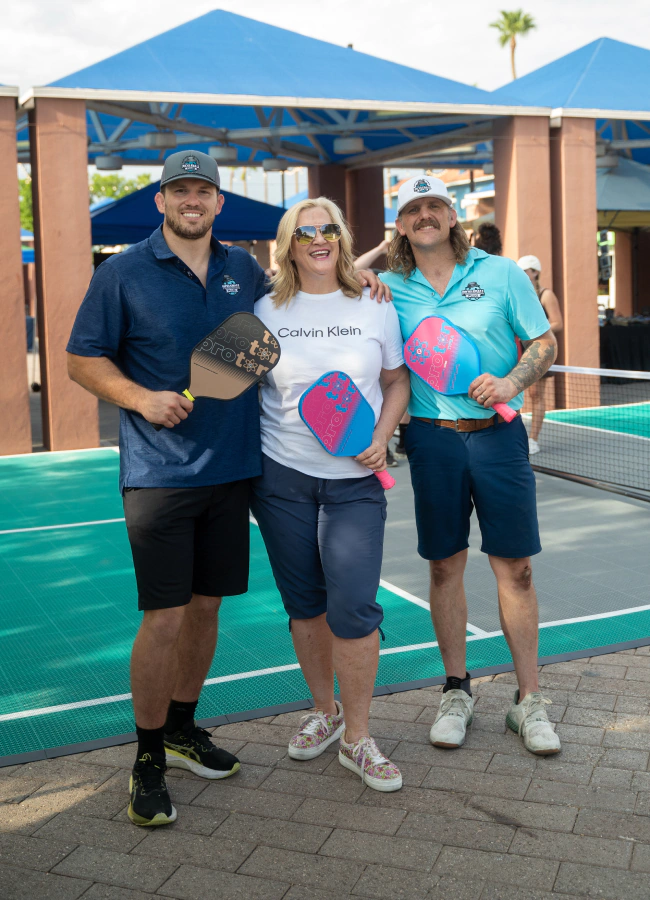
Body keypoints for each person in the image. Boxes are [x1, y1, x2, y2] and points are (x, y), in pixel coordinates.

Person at [66, 150, 390, 828]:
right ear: (162, 200)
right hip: (159, 475)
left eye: (203, 192)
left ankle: (184, 727)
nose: (192, 201)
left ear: (218, 203)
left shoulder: (245, 274)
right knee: (165, 617)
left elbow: (318, 281)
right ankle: (148, 757)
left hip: (237, 474)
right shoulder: (121, 272)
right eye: (179, 190)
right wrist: (140, 398)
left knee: (206, 610)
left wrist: (368, 281)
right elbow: (81, 358)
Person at [381, 175, 561, 756]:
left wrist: (511, 380)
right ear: (402, 225)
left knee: (517, 570)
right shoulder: (387, 286)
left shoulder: (503, 273)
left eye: (436, 205)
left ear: (453, 215)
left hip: (498, 441)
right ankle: (456, 690)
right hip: (432, 443)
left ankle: (528, 699)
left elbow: (544, 343)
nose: (426, 215)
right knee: (443, 568)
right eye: (414, 210)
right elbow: (338, 280)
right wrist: (375, 258)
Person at [251, 197, 410, 791]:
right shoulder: (265, 308)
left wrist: (381, 434)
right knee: (305, 605)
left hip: (356, 485)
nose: (318, 239)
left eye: (328, 230)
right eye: (305, 232)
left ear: (343, 238)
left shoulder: (374, 304)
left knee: (355, 607)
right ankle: (325, 710)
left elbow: (395, 381)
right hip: (281, 479)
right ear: (289, 244)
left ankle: (359, 738)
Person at [517, 255, 564, 455]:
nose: (523, 274)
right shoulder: (519, 294)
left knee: (536, 395)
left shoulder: (546, 295)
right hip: (520, 350)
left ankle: (533, 439)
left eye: (526, 270)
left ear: (535, 272)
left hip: (540, 350)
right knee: (517, 393)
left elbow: (558, 323)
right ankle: (518, 437)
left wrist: (535, 332)